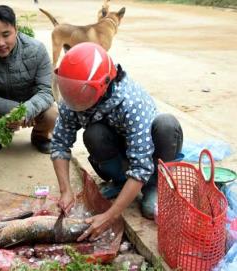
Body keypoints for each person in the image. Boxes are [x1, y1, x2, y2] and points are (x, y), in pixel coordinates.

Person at [51, 42, 183, 241]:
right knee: (93, 134)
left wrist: (110, 216)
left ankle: (155, 185)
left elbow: (141, 166)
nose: (73, 100)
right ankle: (121, 181)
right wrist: (65, 191)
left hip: (148, 154)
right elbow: (60, 143)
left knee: (166, 125)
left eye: (81, 93)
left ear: (103, 84)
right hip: (118, 153)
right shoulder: (75, 96)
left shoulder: (131, 102)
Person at [0, 5, 57, 154]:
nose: (0, 43)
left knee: (53, 115)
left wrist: (26, 110)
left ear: (16, 29)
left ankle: (40, 137)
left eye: (6, 34)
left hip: (32, 105)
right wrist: (14, 111)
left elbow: (47, 91)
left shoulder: (37, 49)